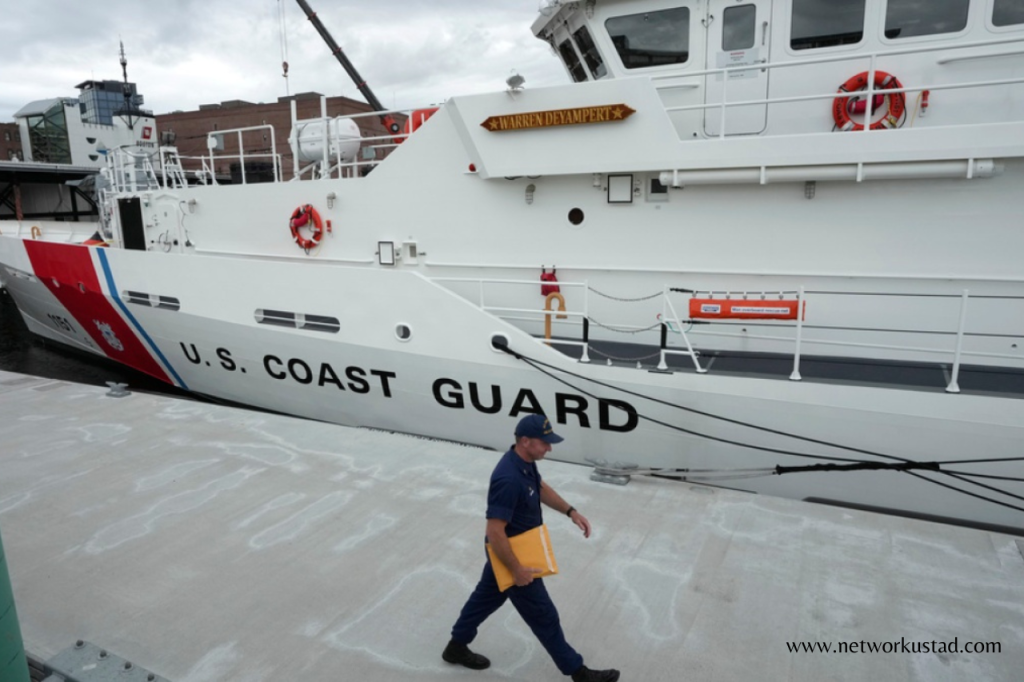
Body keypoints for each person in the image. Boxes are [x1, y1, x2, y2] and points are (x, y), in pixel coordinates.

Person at [442, 414, 620, 682]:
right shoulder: (508, 479)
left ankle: (455, 647)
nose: (549, 447)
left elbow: (539, 487)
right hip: (513, 555)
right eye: (544, 442)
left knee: (485, 598)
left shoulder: (524, 461)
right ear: (525, 441)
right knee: (543, 615)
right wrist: (517, 570)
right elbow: (494, 531)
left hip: (511, 550)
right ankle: (578, 673)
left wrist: (570, 511)